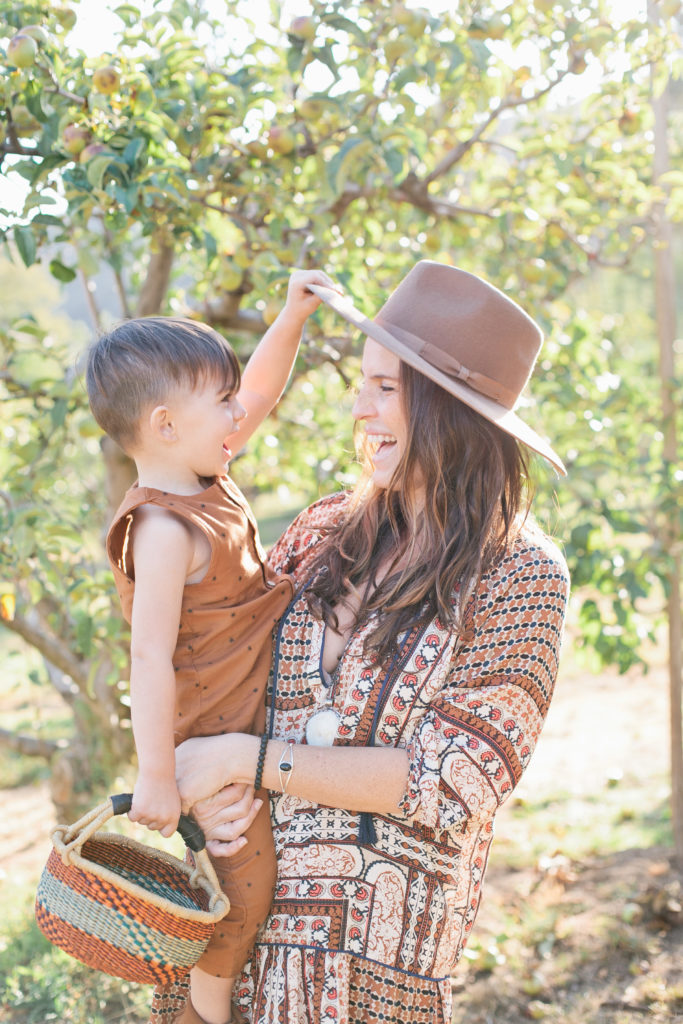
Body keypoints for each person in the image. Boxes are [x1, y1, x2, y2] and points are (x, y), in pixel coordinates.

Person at [165, 260, 571, 1024]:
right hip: (229, 942)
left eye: (384, 388)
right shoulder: (321, 531)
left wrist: (251, 763)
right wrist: (206, 801)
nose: (360, 410)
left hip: (370, 978)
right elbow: (229, 671)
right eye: (362, 384)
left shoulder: (521, 575)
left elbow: (454, 781)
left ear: (451, 408)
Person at [84, 269, 339, 1024]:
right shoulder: (162, 530)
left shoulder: (205, 472)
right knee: (243, 888)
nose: (240, 411)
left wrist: (291, 315)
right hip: (208, 728)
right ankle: (206, 1015)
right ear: (165, 424)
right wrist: (159, 775)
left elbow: (260, 392)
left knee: (245, 875)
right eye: (219, 401)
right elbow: (148, 658)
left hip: (241, 711)